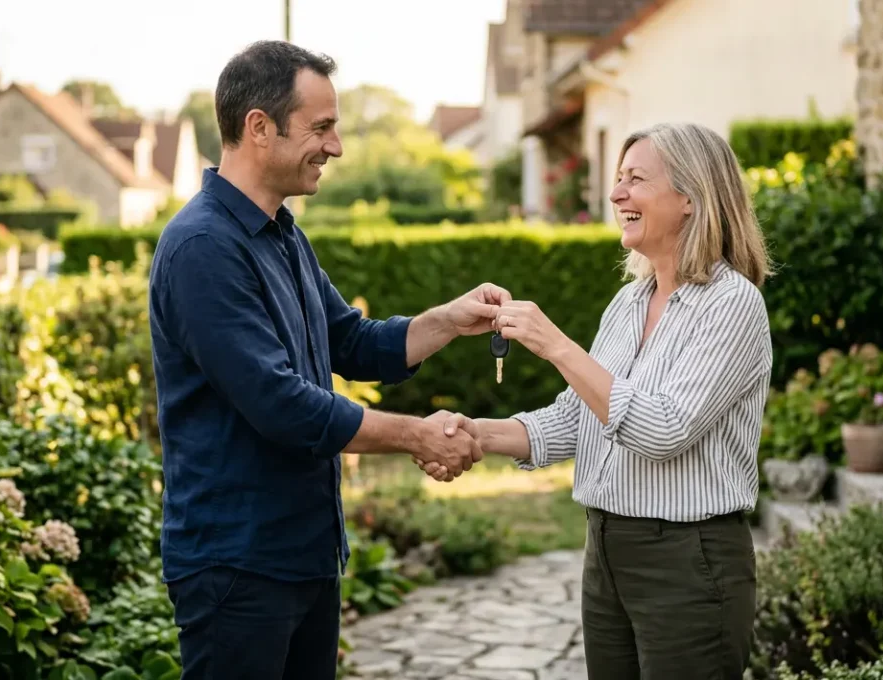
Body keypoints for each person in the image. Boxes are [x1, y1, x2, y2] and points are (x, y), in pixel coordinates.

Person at [148, 40, 507, 680]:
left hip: (304, 555)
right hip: (237, 569)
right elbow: (282, 407)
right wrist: (417, 435)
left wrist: (448, 321)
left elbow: (353, 343)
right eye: (321, 128)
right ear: (259, 127)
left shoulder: (283, 234)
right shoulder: (202, 248)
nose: (335, 147)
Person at [419, 122, 771, 679]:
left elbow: (663, 430)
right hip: (606, 551)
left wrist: (555, 344)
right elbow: (577, 418)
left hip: (686, 562)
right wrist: (476, 434)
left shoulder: (732, 305)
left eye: (635, 179)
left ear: (690, 197)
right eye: (618, 179)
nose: (615, 195)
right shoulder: (629, 302)